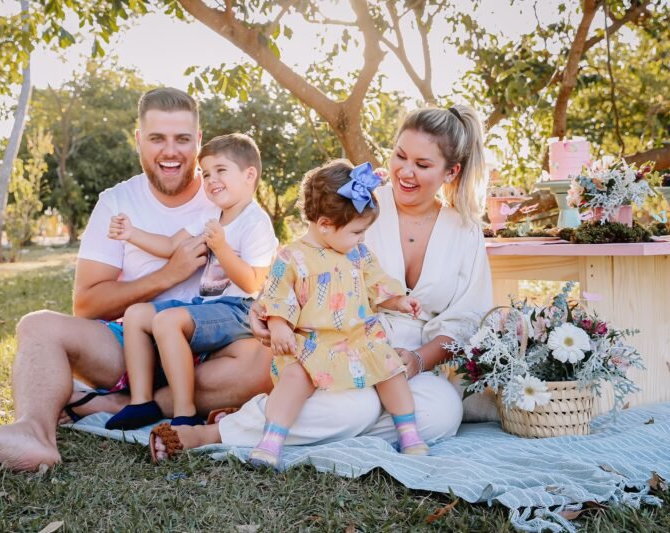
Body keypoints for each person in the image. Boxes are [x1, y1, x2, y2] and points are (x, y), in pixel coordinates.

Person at [0, 87, 274, 472]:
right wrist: (169, 274)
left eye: (182, 139)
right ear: (139, 140)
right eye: (157, 138)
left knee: (267, 362)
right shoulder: (117, 201)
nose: (171, 151)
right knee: (39, 326)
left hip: (210, 349)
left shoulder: (226, 193)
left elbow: (258, 274)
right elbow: (88, 305)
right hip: (129, 343)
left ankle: (118, 405)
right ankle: (32, 434)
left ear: (198, 141)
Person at [150, 104, 493, 462]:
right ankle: (216, 431)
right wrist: (265, 312)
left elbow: (467, 318)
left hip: (410, 360)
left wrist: (419, 360)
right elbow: (304, 262)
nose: (404, 172)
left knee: (442, 413)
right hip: (341, 344)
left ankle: (287, 426)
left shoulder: (464, 231)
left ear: (450, 172)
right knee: (352, 408)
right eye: (400, 156)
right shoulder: (362, 202)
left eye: (422, 165)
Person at [239, 159, 430, 468]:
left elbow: (375, 281)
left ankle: (408, 432)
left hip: (357, 339)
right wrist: (279, 327)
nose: (362, 238)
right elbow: (277, 296)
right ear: (325, 224)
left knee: (390, 368)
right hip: (312, 344)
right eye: (357, 232)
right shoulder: (293, 257)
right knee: (294, 377)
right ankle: (272, 439)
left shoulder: (356, 252)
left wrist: (398, 301)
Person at [104, 134, 277, 431]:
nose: (211, 180)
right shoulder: (212, 214)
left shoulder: (255, 222)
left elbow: (252, 283)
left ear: (250, 175)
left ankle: (185, 413)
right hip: (208, 306)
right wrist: (132, 234)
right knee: (136, 314)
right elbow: (172, 245)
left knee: (168, 322)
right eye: (206, 173)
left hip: (240, 309)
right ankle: (141, 401)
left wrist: (221, 248)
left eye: (221, 170)